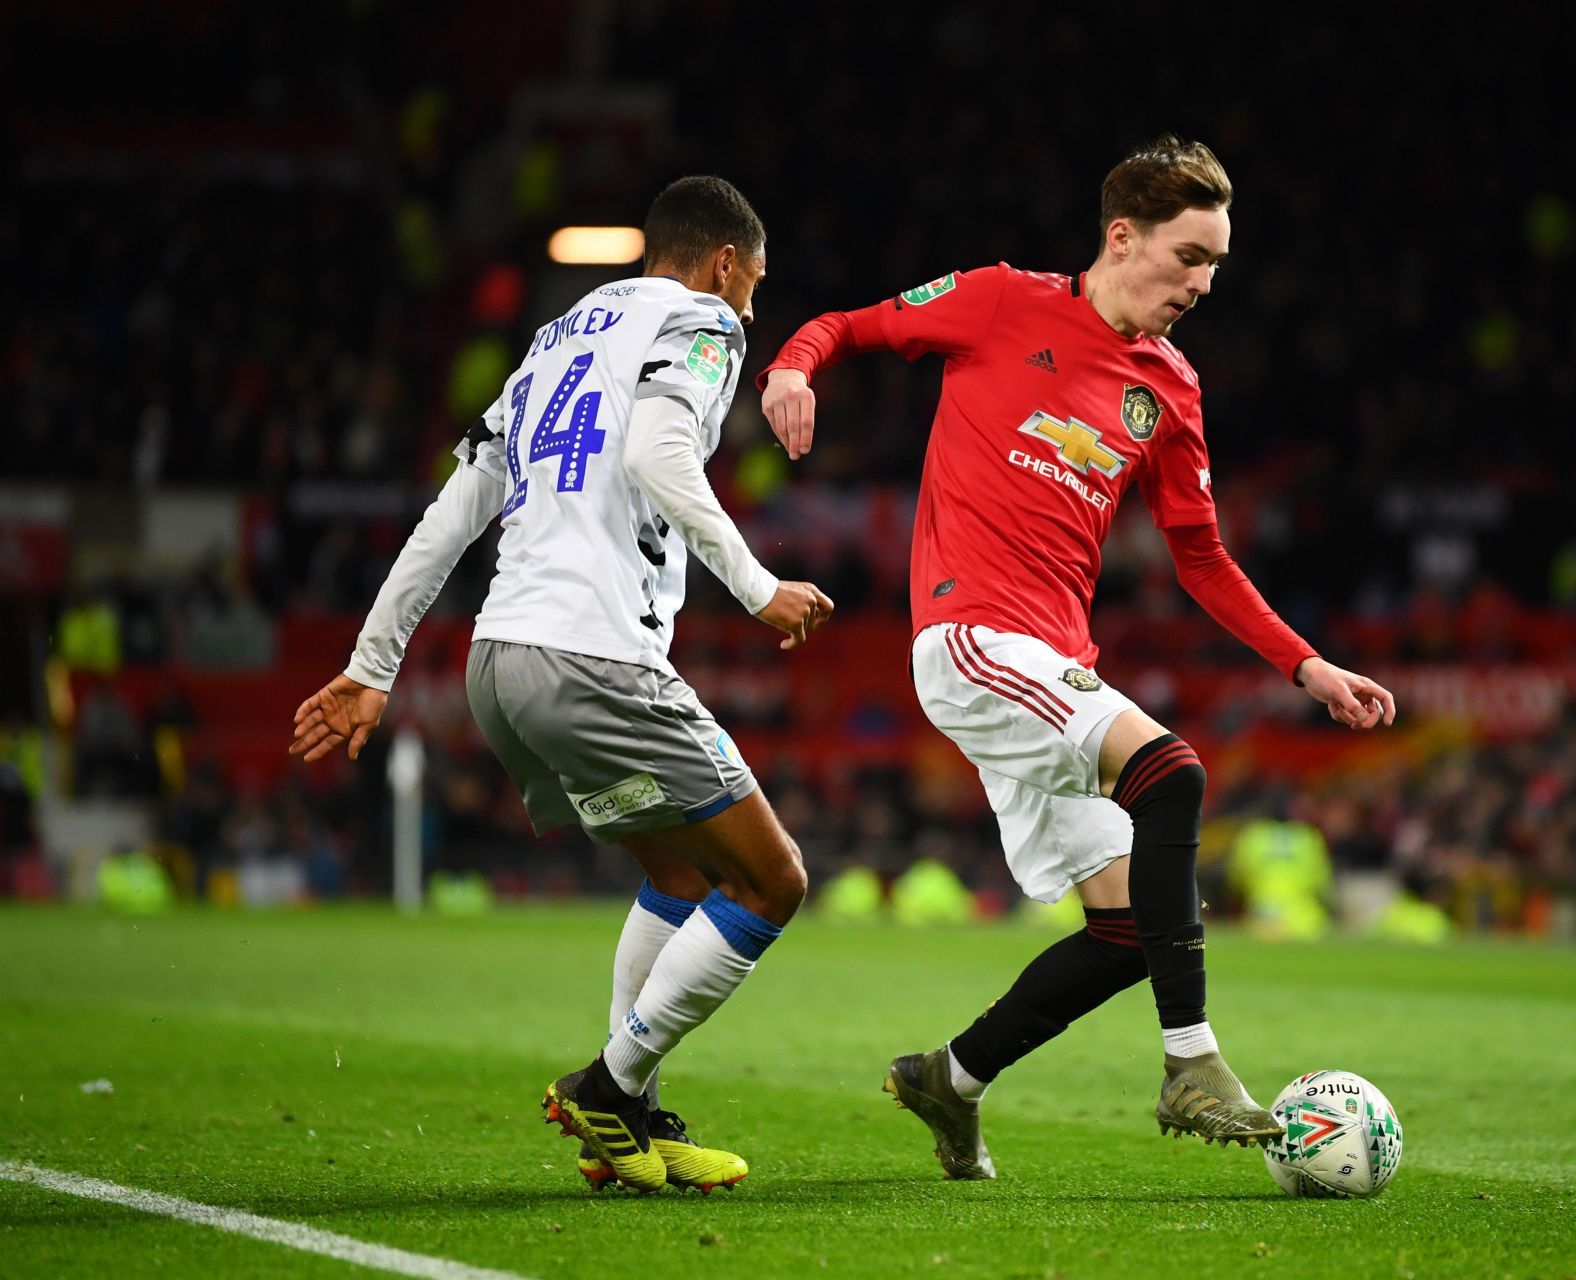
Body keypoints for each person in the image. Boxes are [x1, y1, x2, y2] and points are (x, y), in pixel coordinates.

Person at [759, 136, 1396, 1177]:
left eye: (1217, 265)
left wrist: (1307, 664)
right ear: (1121, 237)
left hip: (1054, 662)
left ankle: (949, 1077)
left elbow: (1201, 556)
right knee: (1174, 772)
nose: (1202, 283)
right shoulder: (1001, 300)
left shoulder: (1169, 389)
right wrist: (792, 367)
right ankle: (1191, 1060)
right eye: (1189, 256)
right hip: (970, 636)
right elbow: (850, 324)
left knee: (1127, 929)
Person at [289, 176, 833, 1195]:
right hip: (594, 657)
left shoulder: (551, 343)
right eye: (752, 287)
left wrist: (373, 665)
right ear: (724, 263)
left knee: (679, 874)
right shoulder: (702, 320)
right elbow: (659, 450)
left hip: (501, 661)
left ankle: (616, 1133)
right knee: (774, 878)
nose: (750, 312)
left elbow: (452, 514)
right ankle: (611, 1086)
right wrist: (758, 587)